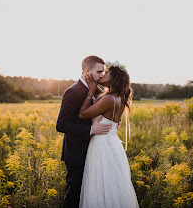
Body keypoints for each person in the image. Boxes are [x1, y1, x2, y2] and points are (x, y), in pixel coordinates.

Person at [78, 61, 139, 208]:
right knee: (112, 186)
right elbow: (105, 96)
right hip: (112, 144)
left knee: (100, 185)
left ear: (114, 78)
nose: (103, 74)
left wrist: (91, 91)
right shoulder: (117, 97)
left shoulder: (108, 99)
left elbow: (82, 114)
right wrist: (95, 85)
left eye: (106, 73)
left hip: (101, 145)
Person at [56, 55, 112, 208]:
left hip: (92, 151)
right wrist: (91, 129)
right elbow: (61, 124)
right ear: (87, 71)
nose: (102, 75)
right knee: (74, 195)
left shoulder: (93, 89)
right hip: (76, 152)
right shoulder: (73, 91)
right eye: (99, 71)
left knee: (86, 196)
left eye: (104, 72)